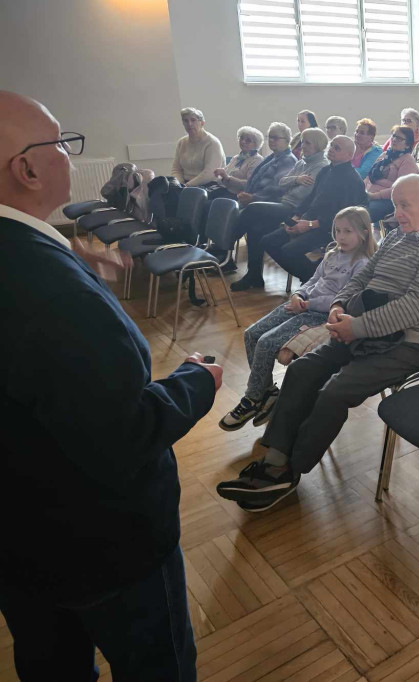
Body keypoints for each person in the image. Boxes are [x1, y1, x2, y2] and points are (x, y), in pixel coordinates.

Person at [0, 90, 222, 681]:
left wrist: (64, 254)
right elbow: (122, 434)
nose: (70, 155)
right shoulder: (55, 295)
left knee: (51, 665)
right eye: (60, 143)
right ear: (25, 168)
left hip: (18, 534)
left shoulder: (36, 263)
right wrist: (198, 380)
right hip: (98, 543)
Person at [215, 174, 419, 511]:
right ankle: (275, 455)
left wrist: (357, 327)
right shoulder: (397, 236)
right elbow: (362, 276)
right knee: (303, 370)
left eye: (404, 206)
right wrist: (339, 304)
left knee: (334, 392)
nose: (397, 213)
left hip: (406, 346)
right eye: (395, 205)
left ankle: (289, 471)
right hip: (366, 329)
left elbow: (414, 309)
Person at [220, 206, 376, 431]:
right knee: (251, 333)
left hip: (319, 313)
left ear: (363, 232)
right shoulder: (332, 253)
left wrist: (308, 304)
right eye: (338, 230)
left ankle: (252, 399)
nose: (341, 236)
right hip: (302, 303)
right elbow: (314, 280)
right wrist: (298, 294)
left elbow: (341, 299)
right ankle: (268, 393)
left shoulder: (361, 263)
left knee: (266, 342)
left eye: (348, 231)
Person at [232, 127, 330, 290]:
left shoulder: (321, 166)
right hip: (284, 204)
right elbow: (282, 182)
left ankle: (227, 240)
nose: (302, 146)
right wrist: (297, 179)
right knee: (256, 228)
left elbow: (302, 195)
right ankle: (254, 275)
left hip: (295, 209)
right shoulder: (302, 162)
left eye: (307, 142)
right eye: (302, 142)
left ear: (318, 145)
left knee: (252, 209)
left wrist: (291, 184)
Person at [264, 134, 369, 281]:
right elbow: (310, 199)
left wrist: (310, 225)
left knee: (289, 251)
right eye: (332, 145)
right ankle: (311, 275)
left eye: (337, 148)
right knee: (268, 241)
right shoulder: (326, 170)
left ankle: (312, 280)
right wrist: (295, 217)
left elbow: (344, 218)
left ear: (349, 155)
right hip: (309, 221)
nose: (331, 149)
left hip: (329, 229)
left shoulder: (352, 180)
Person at [234, 122, 297, 209]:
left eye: (275, 138)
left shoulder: (288, 160)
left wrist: (254, 197)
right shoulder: (271, 158)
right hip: (254, 201)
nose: (271, 140)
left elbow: (278, 187)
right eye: (270, 137)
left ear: (287, 140)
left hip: (266, 205)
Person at [364, 125, 417, 222]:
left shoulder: (408, 161)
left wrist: (374, 196)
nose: (394, 139)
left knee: (361, 215)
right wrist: (362, 189)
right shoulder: (386, 155)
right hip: (369, 194)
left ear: (408, 145)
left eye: (399, 138)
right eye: (394, 136)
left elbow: (401, 189)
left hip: (389, 200)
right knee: (345, 206)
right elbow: (369, 176)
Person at [171, 106, 226, 187]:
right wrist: (179, 185)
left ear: (202, 123)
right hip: (185, 184)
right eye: (186, 121)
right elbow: (176, 169)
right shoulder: (181, 142)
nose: (189, 124)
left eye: (193, 120)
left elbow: (210, 173)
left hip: (208, 184)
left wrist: (187, 186)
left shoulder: (212, 143)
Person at [212, 125, 265, 197]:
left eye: (248, 140)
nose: (243, 141)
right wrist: (220, 174)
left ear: (256, 144)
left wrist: (227, 178)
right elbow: (221, 179)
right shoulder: (236, 158)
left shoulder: (257, 160)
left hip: (238, 195)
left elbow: (249, 184)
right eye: (242, 138)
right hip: (223, 190)